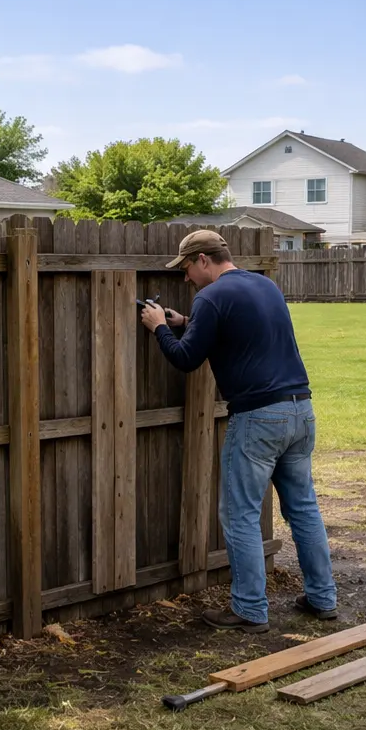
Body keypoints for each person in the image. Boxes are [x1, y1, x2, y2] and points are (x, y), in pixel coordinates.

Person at [139, 229, 337, 631]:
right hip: (300, 410)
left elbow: (186, 359)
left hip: (258, 418)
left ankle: (249, 608)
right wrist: (186, 322)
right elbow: (242, 332)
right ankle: (323, 598)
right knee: (303, 508)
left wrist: (159, 327)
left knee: (240, 514)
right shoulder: (265, 286)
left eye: (186, 268)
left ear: (203, 260)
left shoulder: (210, 296)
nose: (185, 278)